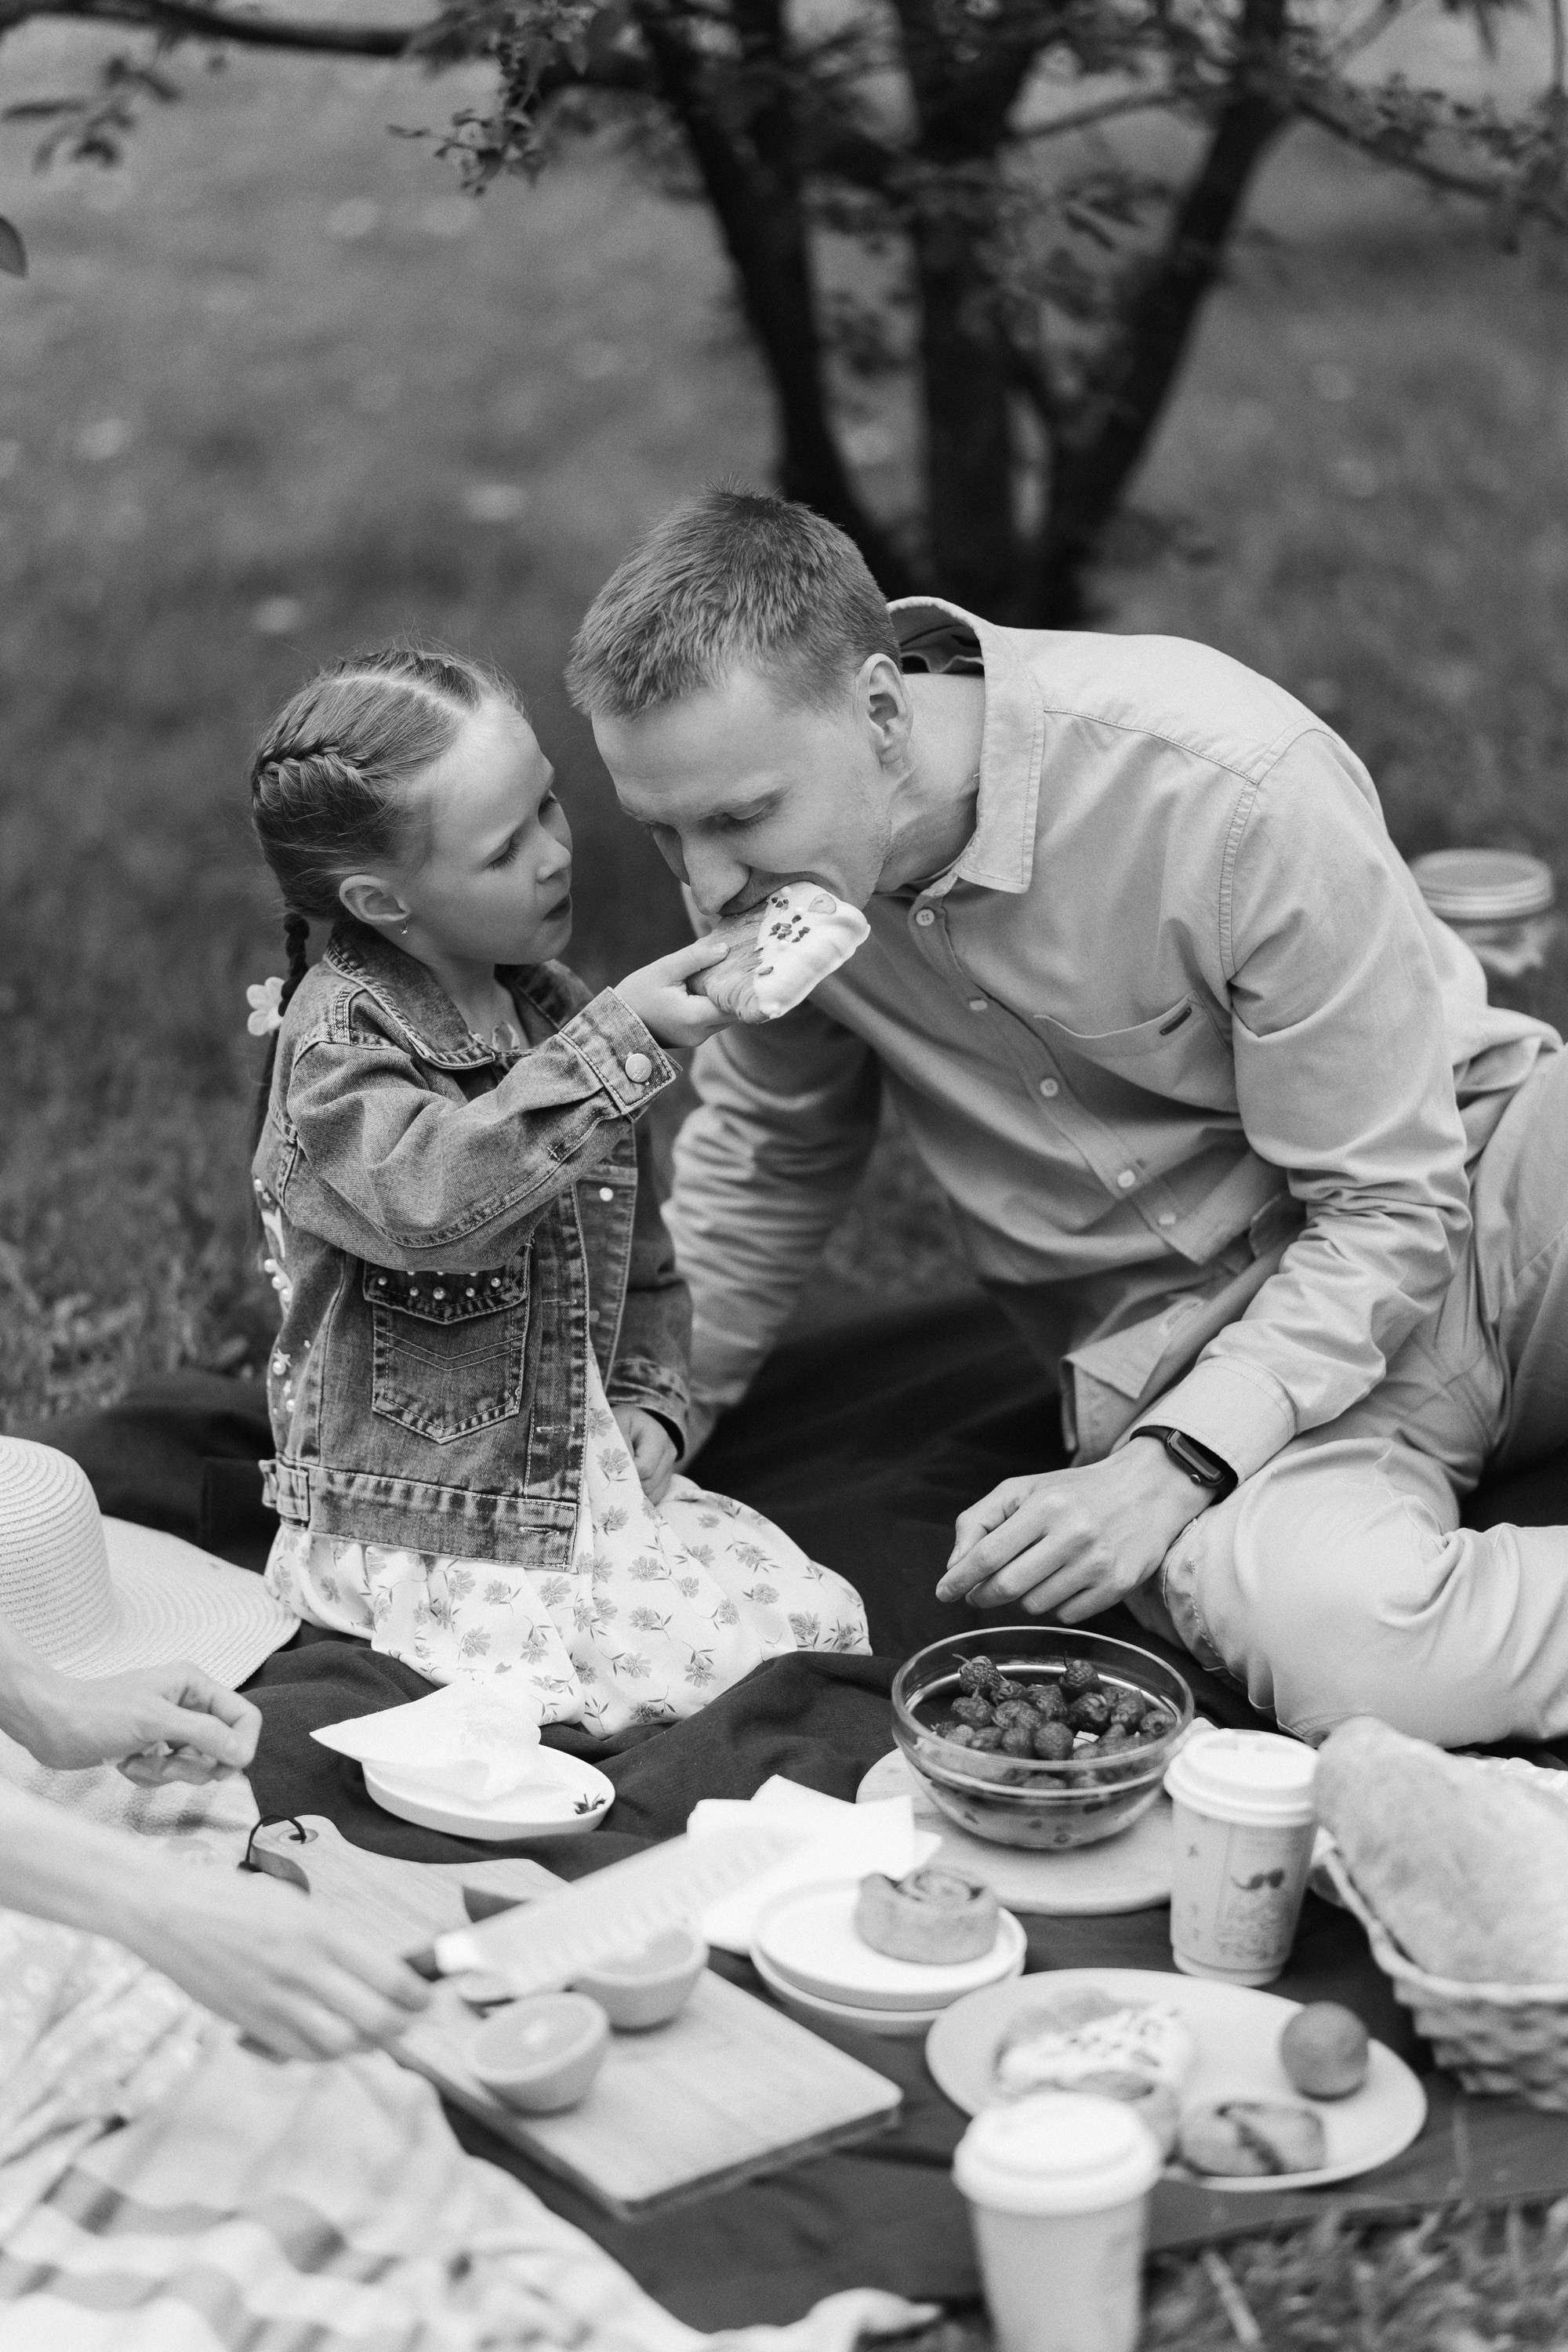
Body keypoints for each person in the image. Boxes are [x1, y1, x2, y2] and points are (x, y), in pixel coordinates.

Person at [567, 488, 1568, 1750]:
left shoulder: (1231, 788)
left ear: (880, 711)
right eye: (662, 833)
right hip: (1196, 1370)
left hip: (1496, 1200)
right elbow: (770, 1157)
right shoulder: (782, 896)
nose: (706, 885)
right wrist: (655, 1408)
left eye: (739, 819)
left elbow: (1390, 1201)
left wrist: (1171, 1477)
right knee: (1345, 1646)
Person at [246, 643, 868, 1736]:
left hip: (566, 1459)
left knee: (805, 1622)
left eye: (549, 806)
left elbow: (634, 1247)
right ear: (382, 902)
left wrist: (651, 1402)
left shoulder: (542, 1004)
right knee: (678, 1685)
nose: (552, 856)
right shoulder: (337, 1054)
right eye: (504, 849)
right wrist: (613, 1048)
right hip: (434, 1510)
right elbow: (435, 1206)